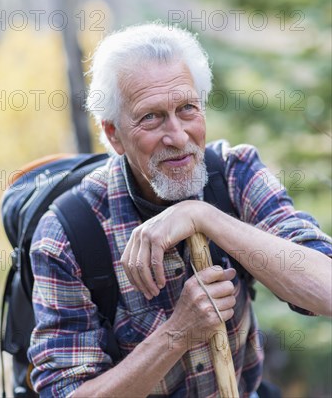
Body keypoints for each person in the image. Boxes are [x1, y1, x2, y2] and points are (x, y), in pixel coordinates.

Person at [28, 23, 332, 397]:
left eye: (187, 108)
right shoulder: (67, 235)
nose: (177, 136)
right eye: (151, 117)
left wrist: (203, 216)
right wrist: (177, 333)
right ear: (113, 135)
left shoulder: (235, 175)